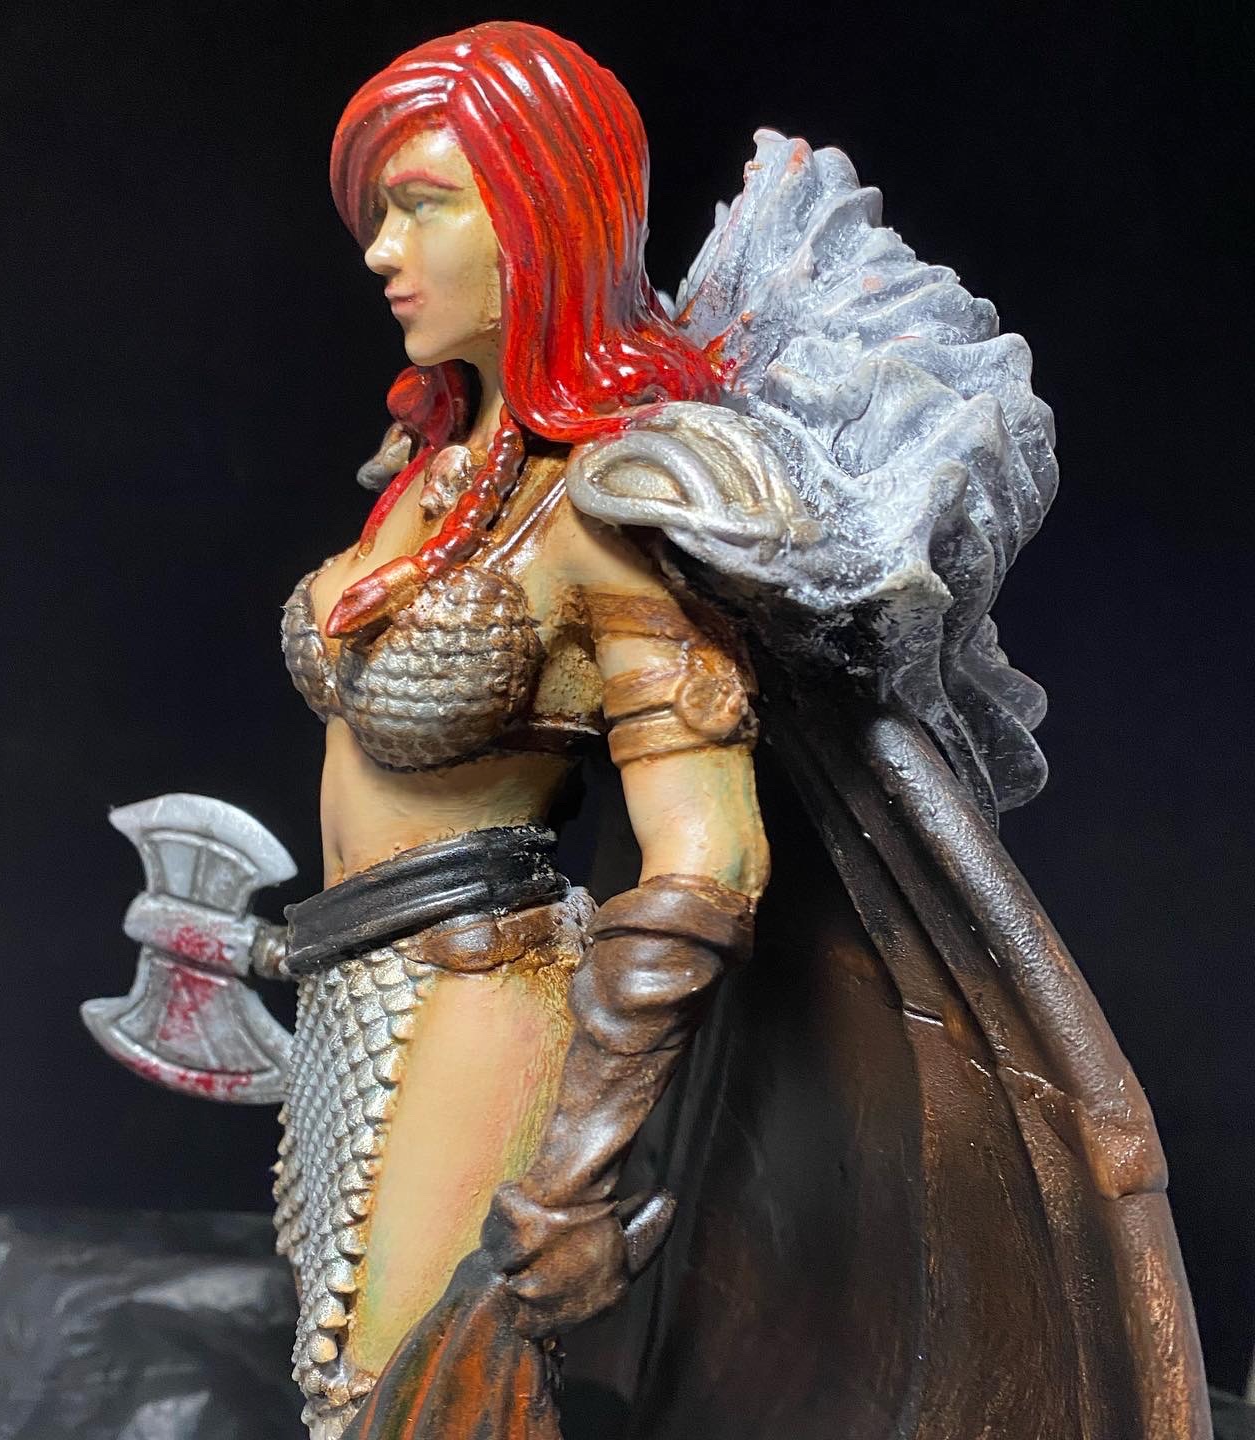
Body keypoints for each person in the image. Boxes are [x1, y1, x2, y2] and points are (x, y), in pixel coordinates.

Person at [273, 21, 1208, 1440]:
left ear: (539, 219)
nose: (381, 252)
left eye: (424, 205)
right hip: (346, 984)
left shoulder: (612, 507)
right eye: (378, 212)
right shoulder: (433, 464)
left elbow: (710, 860)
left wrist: (574, 1171)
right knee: (341, 1379)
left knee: (400, 1400)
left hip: (474, 1001)